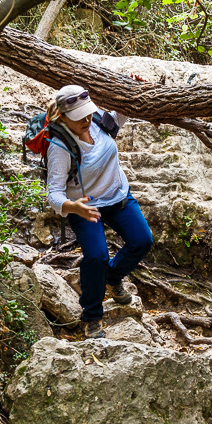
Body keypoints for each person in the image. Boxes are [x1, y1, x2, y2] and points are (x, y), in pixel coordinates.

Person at [45, 85, 153, 338]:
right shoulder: (60, 147)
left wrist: (131, 85)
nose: (85, 120)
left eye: (87, 113)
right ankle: (92, 316)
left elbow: (122, 114)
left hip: (118, 196)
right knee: (96, 257)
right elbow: (54, 193)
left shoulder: (97, 121)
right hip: (85, 207)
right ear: (63, 118)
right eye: (78, 117)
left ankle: (112, 277)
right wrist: (73, 207)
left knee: (142, 241)